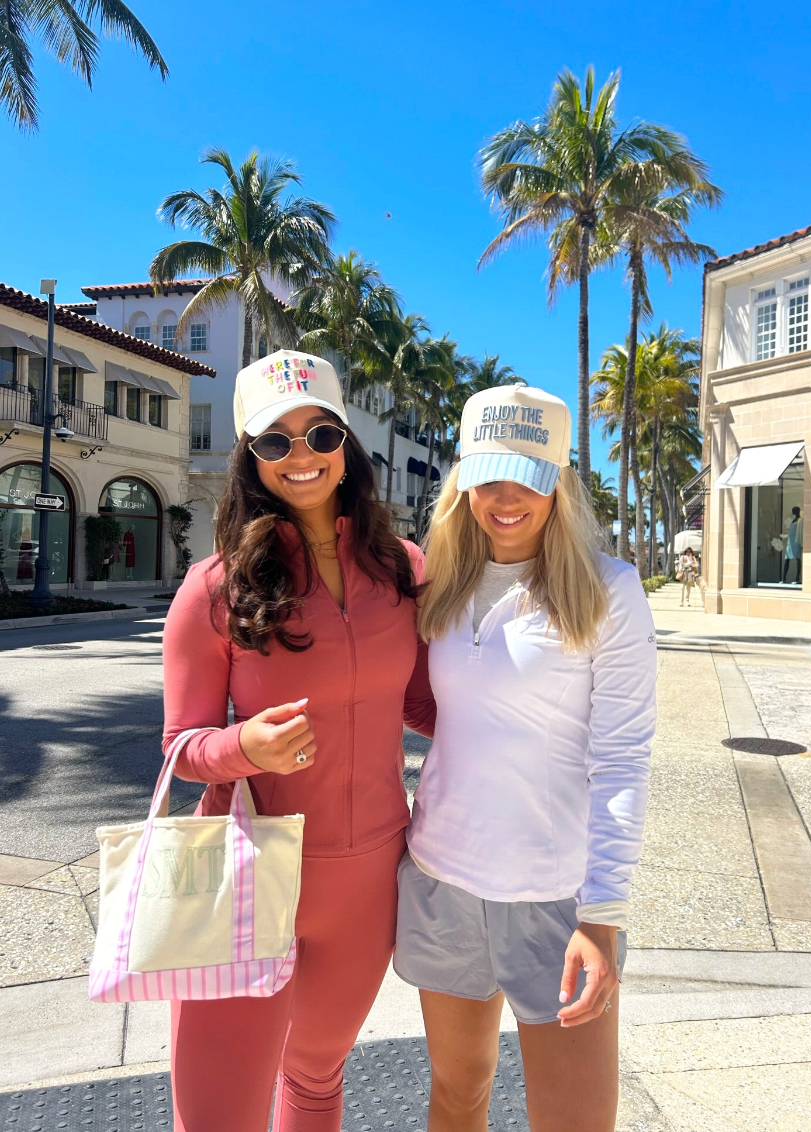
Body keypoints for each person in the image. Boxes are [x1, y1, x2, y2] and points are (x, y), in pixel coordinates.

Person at [162, 350, 435, 1132]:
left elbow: (419, 701)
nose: (302, 456)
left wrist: (527, 723)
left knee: (315, 1082)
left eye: (318, 433)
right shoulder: (215, 588)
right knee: (218, 1116)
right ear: (251, 459)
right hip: (247, 873)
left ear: (346, 441)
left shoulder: (402, 569)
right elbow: (182, 745)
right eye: (274, 443)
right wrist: (243, 746)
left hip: (369, 878)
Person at [395, 384, 656, 1132]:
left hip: (557, 901)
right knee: (456, 1095)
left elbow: (623, 757)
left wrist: (602, 916)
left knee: (574, 1122)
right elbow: (434, 710)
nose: (506, 497)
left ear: (559, 483)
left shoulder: (610, 591)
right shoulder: (438, 587)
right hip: (442, 880)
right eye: (488, 475)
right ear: (464, 481)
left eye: (529, 477)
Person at [783, 506, 803, 584]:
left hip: (796, 541)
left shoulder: (799, 521)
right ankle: (783, 578)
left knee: (798, 559)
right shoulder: (794, 520)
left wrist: (800, 542)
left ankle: (797, 578)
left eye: (794, 510)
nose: (793, 512)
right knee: (787, 559)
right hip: (790, 541)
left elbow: (800, 532)